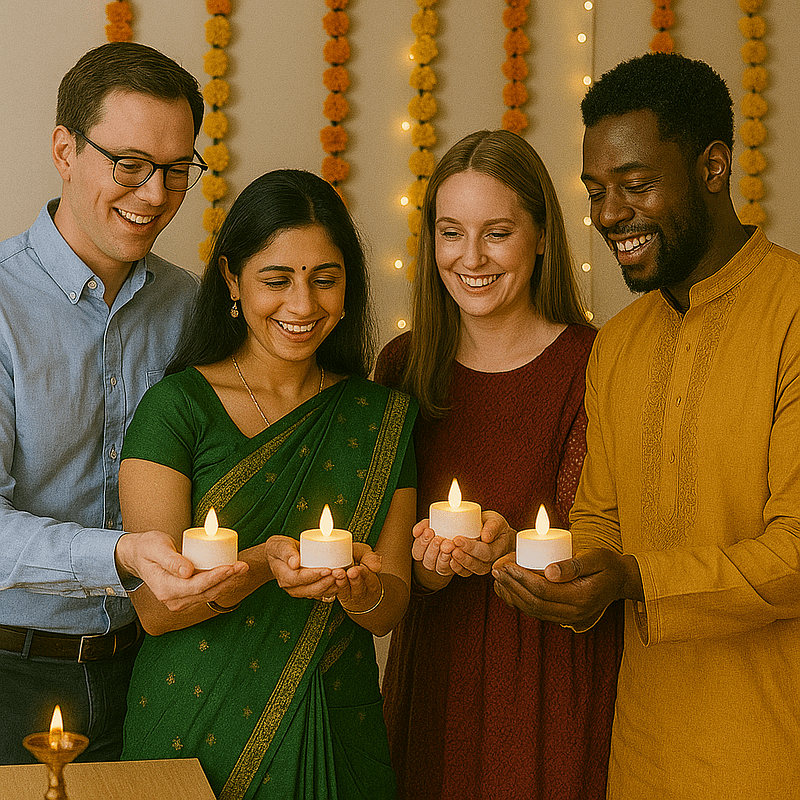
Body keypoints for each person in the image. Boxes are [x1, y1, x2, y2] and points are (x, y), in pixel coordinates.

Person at [493, 52, 800, 798]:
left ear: (714, 167)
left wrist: (635, 578)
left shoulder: (791, 312)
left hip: (772, 747)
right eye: (597, 191)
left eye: (636, 185)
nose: (607, 215)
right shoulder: (620, 345)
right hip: (640, 752)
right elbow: (602, 519)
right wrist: (558, 574)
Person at [118, 169, 418, 798]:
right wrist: (259, 562)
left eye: (325, 280)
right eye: (277, 280)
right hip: (193, 727)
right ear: (232, 279)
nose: (303, 306)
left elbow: (389, 607)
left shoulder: (379, 416)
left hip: (338, 720)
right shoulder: (177, 407)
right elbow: (153, 608)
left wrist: (358, 590)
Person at [0, 42, 245, 765]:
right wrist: (121, 553)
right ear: (64, 150)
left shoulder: (191, 305)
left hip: (161, 663)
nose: (153, 195)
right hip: (13, 673)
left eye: (175, 171)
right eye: (129, 164)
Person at [376, 129, 624, 800]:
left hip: (551, 677)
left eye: (498, 232)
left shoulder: (596, 363)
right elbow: (386, 563)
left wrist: (515, 550)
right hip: (438, 671)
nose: (471, 257)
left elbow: (607, 543)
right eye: (451, 232)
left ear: (542, 237)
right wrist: (426, 570)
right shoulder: (400, 368)